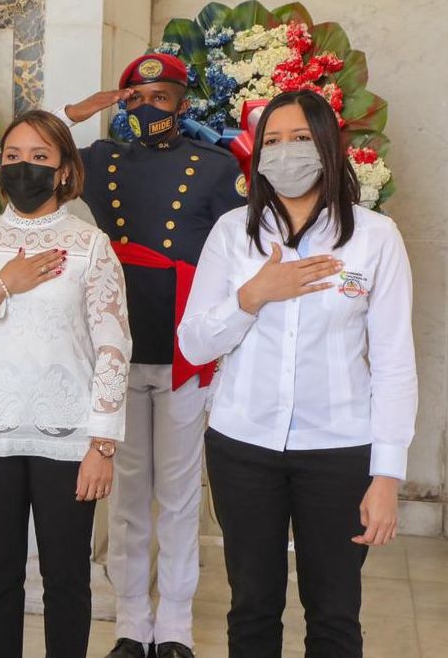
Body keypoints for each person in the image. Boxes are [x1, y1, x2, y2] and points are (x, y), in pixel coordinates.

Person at [178, 89, 416, 657]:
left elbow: (394, 362)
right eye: (274, 141)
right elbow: (192, 340)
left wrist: (387, 477)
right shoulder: (234, 233)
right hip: (243, 444)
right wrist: (254, 295)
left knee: (334, 615)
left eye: (302, 139)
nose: (287, 153)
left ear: (330, 148)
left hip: (339, 448)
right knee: (252, 609)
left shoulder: (374, 237)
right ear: (257, 155)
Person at [55, 53, 247, 658]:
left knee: (181, 495)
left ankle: (177, 628)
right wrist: (87, 110)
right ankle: (131, 625)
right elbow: (37, 163)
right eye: (136, 99)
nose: (148, 110)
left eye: (160, 98)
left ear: (183, 104)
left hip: (185, 350)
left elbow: (238, 251)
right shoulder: (103, 161)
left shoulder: (216, 169)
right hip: (120, 350)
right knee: (130, 497)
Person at [0, 110, 131, 658]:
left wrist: (102, 443)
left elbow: (114, 346)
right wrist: (0, 285)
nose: (24, 168)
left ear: (64, 170)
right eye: (13, 157)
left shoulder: (90, 246)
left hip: (68, 438)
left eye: (39, 157)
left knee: (67, 578)